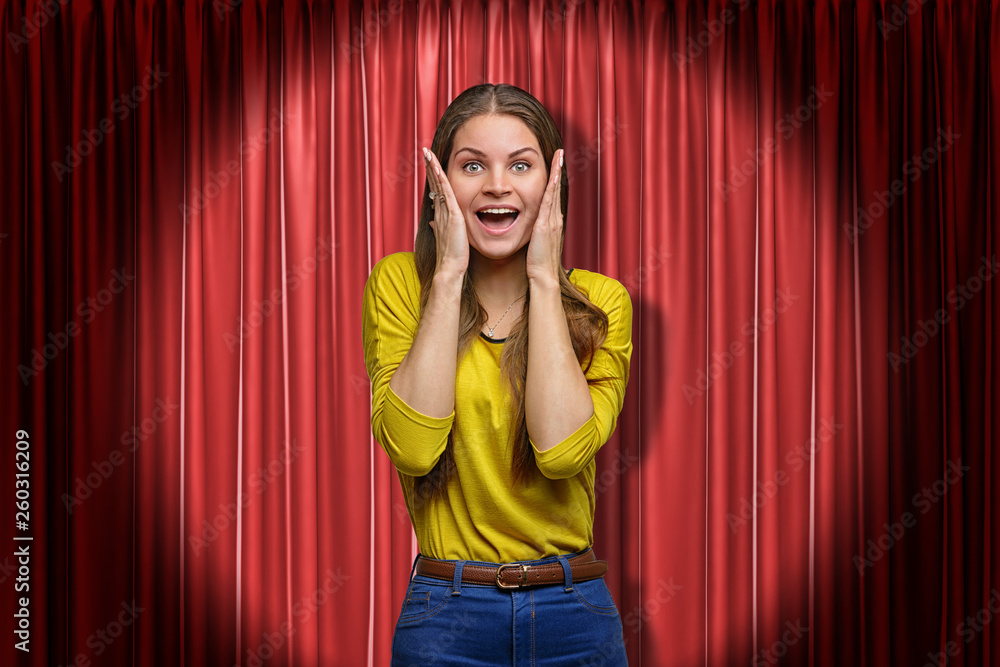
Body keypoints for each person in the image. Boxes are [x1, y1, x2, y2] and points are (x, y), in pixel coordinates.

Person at [362, 83, 632, 665]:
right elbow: (412, 448)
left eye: (521, 164)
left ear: (552, 185)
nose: (497, 185)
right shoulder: (401, 287)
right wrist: (449, 269)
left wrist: (543, 277)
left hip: (572, 612)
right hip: (447, 612)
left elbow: (560, 452)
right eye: (472, 165)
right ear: (440, 184)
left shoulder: (600, 302)